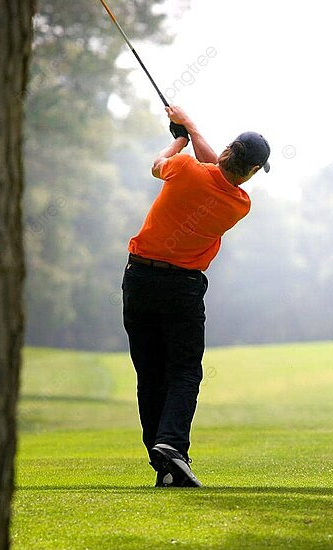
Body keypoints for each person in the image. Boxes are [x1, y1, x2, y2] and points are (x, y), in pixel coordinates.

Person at [122, 106, 270, 487]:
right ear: (253, 172)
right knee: (185, 371)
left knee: (149, 374)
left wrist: (179, 140)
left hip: (138, 279)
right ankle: (171, 445)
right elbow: (218, 174)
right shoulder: (240, 203)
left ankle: (167, 466)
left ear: (226, 151)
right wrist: (190, 130)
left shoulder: (185, 168)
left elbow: (159, 164)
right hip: (182, 289)